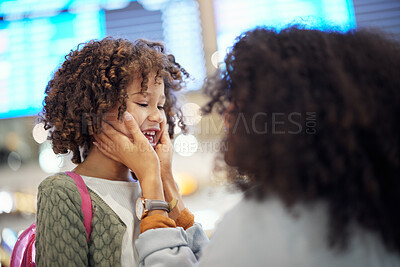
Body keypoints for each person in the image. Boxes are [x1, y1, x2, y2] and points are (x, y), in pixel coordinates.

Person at [95, 26, 400, 266]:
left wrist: (152, 188)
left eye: (242, 101)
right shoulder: (370, 211)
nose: (227, 114)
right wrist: (169, 187)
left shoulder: (267, 223)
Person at [35, 37, 202, 266]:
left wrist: (161, 178)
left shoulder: (149, 185)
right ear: (98, 107)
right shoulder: (62, 192)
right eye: (143, 103)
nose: (157, 117)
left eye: (161, 106)